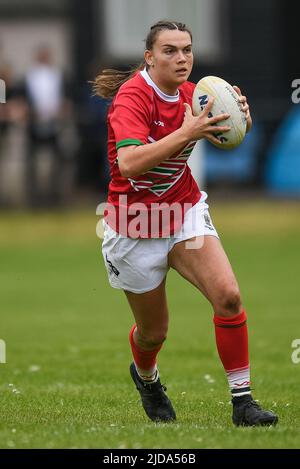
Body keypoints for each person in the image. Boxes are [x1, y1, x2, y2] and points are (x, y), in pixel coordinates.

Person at [94, 20, 278, 426]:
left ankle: (243, 402)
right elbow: (130, 163)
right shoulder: (132, 99)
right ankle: (147, 378)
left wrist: (237, 120)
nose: (182, 59)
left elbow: (229, 140)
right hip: (135, 226)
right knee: (153, 333)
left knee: (228, 296)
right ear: (149, 57)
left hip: (183, 214)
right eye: (170, 51)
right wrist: (188, 131)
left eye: (187, 50)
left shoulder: (197, 96)